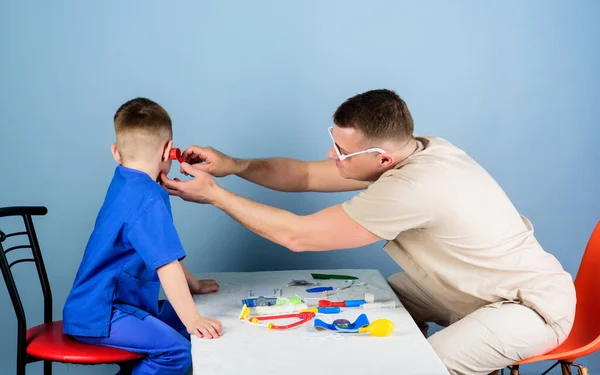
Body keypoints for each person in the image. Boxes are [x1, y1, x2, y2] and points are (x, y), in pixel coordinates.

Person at [161, 89, 576, 375]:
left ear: (380, 158)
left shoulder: (413, 188)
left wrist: (215, 195)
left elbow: (298, 237)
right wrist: (235, 165)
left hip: (528, 308)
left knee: (418, 367)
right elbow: (305, 175)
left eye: (342, 151)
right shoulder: (419, 148)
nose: (331, 155)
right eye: (334, 142)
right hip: (474, 289)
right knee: (370, 301)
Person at [63, 97, 222, 375]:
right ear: (168, 151)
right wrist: (192, 317)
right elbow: (166, 264)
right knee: (176, 351)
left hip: (114, 305)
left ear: (116, 152)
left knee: (186, 329)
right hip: (102, 313)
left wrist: (194, 286)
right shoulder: (147, 198)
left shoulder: (125, 181)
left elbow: (162, 250)